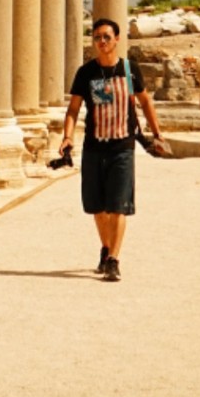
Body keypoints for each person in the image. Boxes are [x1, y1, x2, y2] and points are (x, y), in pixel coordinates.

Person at [56, 17, 169, 281]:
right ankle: (106, 248)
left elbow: (145, 102)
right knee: (97, 207)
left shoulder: (129, 70)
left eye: (107, 37)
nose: (102, 41)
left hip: (122, 147)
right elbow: (73, 109)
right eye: (97, 37)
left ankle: (114, 260)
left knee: (118, 205)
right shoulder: (86, 73)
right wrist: (67, 137)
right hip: (94, 147)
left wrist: (157, 133)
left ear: (117, 39)